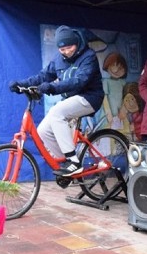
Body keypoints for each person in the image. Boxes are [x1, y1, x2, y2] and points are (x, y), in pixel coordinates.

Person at [8, 25, 104, 176]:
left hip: (90, 98)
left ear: (77, 43)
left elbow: (79, 81)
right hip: (72, 99)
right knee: (42, 131)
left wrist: (53, 87)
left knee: (56, 112)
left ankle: (74, 162)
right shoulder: (59, 59)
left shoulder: (89, 56)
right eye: (62, 49)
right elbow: (43, 76)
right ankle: (67, 163)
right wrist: (22, 84)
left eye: (69, 47)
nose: (66, 52)